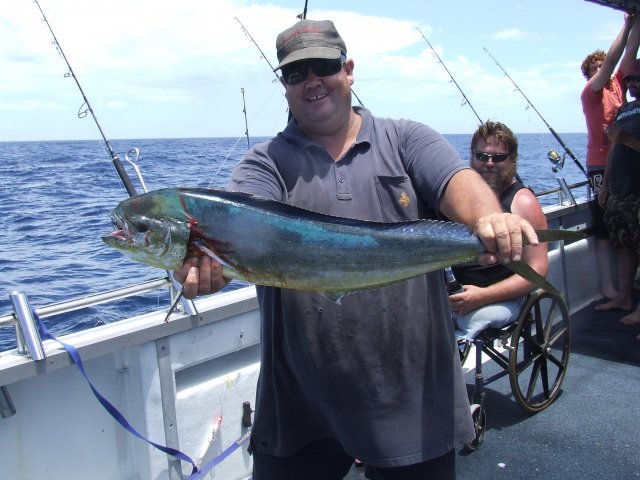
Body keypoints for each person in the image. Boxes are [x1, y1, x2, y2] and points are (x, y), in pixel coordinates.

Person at [174, 19, 540, 479]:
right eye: (295, 73)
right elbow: (244, 229)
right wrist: (205, 269)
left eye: (322, 66)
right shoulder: (264, 164)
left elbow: (457, 181)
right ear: (284, 87)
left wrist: (490, 217)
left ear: (348, 70)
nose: (312, 82)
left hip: (411, 393)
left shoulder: (406, 138)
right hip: (300, 400)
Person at [449, 122, 548, 341]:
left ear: (513, 159)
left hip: (500, 297)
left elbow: (537, 271)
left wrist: (482, 296)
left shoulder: (523, 202)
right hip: (455, 294)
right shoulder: (455, 199)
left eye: (499, 157)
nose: (489, 163)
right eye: (482, 156)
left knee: (467, 326)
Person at [580, 13, 640, 301]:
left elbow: (630, 52)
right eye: (594, 69)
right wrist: (625, 26)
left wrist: (635, 21)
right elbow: (615, 61)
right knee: (605, 228)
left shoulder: (619, 85)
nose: (599, 72)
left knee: (629, 228)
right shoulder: (590, 92)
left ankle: (626, 285)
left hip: (628, 161)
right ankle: (608, 285)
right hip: (601, 166)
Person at [597, 59, 640, 333]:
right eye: (631, 80)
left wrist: (626, 140)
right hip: (620, 191)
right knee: (624, 245)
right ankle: (624, 297)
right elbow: (614, 146)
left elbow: (623, 140)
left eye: (638, 80)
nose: (633, 84)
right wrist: (606, 184)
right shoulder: (626, 109)